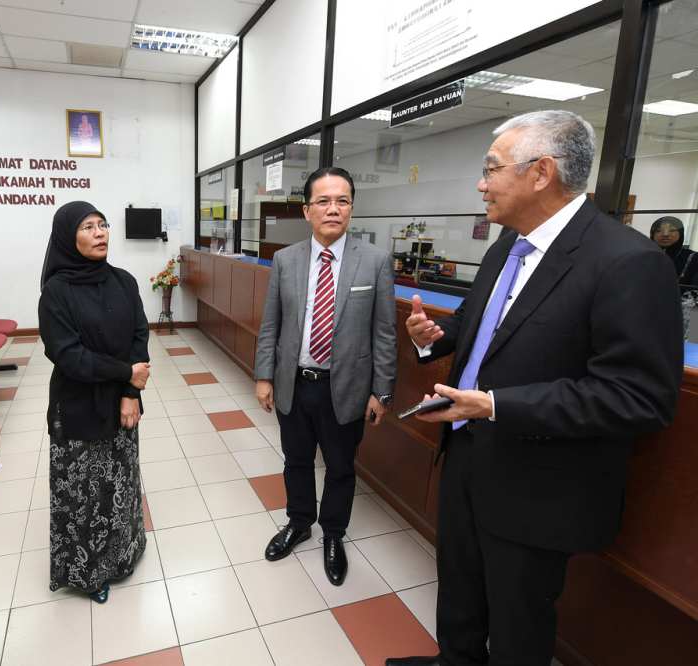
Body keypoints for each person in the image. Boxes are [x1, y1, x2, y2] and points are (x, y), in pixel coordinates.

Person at [388, 110, 683, 666]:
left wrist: (497, 406)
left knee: (518, 621)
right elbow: (486, 327)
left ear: (541, 172)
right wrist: (436, 339)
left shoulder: (628, 262)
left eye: (491, 169)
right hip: (466, 452)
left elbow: (639, 396)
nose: (480, 183)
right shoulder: (507, 244)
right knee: (458, 589)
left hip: (537, 485)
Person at [254, 166, 397, 586]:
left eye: (343, 201)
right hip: (294, 384)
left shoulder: (375, 261)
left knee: (340, 467)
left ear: (352, 207)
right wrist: (264, 376)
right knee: (296, 460)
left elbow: (384, 333)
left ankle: (333, 533)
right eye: (324, 201)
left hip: (346, 388)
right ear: (307, 210)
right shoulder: (285, 260)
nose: (333, 209)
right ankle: (299, 523)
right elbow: (270, 325)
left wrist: (382, 392)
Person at [38, 201, 151, 604]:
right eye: (88, 227)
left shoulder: (124, 281)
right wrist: (125, 375)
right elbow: (69, 357)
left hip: (122, 405)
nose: (100, 232)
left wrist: (130, 394)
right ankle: (85, 573)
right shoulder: (56, 293)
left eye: (102, 225)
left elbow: (140, 336)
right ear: (69, 238)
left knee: (119, 481)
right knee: (83, 493)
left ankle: (121, 557)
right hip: (78, 406)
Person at [650, 215, 698, 292]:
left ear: (680, 233)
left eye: (672, 230)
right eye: (658, 230)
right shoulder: (645, 256)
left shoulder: (693, 258)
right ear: (652, 234)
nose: (665, 234)